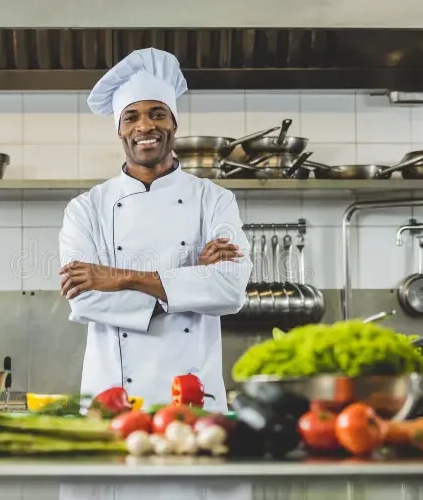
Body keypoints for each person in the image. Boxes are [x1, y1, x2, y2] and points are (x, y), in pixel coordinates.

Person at [57, 47, 253, 414]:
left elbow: (229, 290)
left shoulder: (215, 200)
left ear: (174, 123)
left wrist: (117, 276)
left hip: (198, 401)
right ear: (119, 130)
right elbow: (83, 297)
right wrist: (191, 282)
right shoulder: (86, 208)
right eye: (131, 117)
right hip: (113, 400)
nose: (145, 126)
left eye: (157, 114)